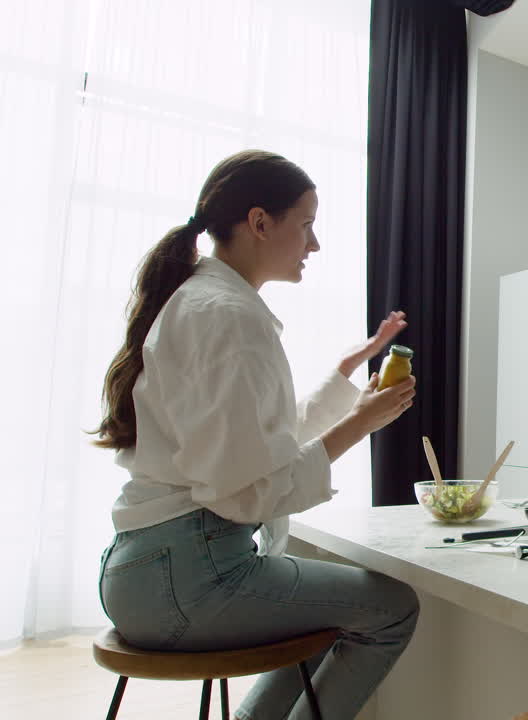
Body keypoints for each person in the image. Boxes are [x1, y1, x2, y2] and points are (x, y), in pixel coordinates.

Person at [93, 150, 420, 720]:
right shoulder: (229, 315)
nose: (314, 245)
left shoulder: (200, 301)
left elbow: (252, 446)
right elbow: (245, 493)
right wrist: (361, 422)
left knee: (332, 607)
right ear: (260, 222)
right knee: (392, 609)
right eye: (307, 223)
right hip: (189, 576)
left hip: (142, 570)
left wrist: (343, 376)